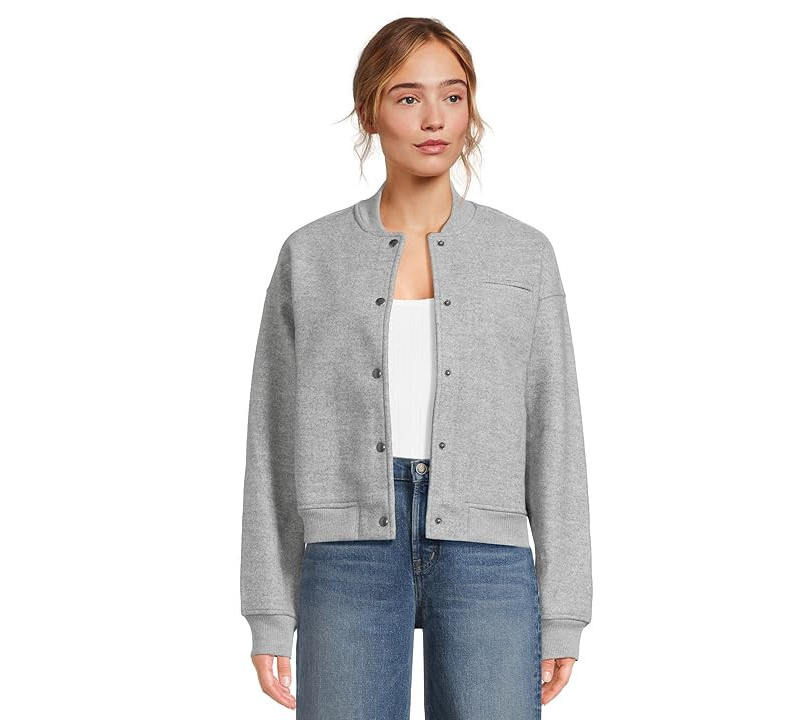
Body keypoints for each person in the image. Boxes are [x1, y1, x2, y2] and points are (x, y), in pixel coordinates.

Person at [240, 17, 592, 719]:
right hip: (346, 553)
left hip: (487, 556)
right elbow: (272, 438)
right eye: (408, 98)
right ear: (370, 110)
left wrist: (564, 610)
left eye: (452, 96)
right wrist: (268, 608)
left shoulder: (523, 254)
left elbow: (557, 435)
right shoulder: (311, 256)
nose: (435, 119)